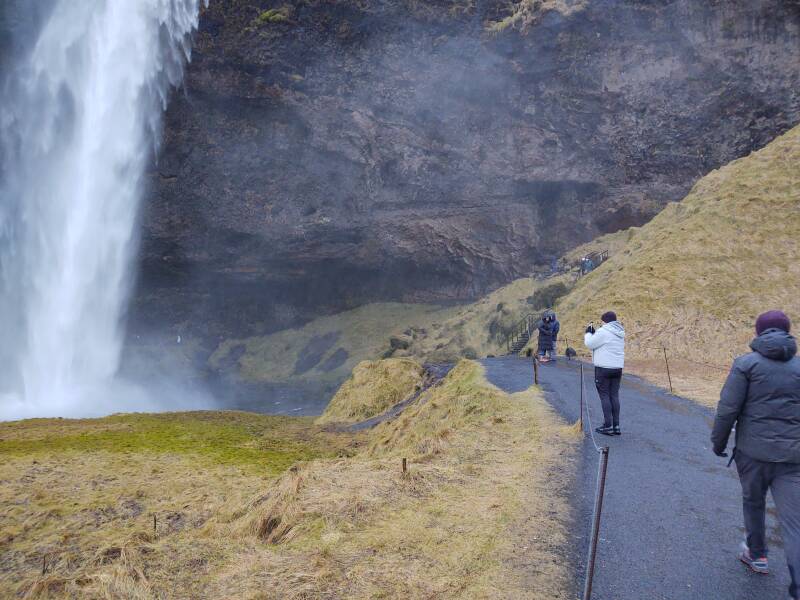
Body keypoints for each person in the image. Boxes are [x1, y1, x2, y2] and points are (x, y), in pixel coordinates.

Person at [711, 310, 800, 600]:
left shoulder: (746, 364)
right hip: (793, 456)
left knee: (753, 502)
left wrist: (718, 442)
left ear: (758, 332)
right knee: (794, 520)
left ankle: (757, 554)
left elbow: (728, 409)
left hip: (752, 453)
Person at [585, 311, 625, 436]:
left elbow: (589, 343)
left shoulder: (604, 331)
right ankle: (616, 426)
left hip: (603, 368)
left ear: (605, 321)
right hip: (617, 368)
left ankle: (607, 425)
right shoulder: (620, 332)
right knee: (614, 395)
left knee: (604, 396)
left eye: (602, 321)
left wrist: (588, 333)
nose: (601, 324)